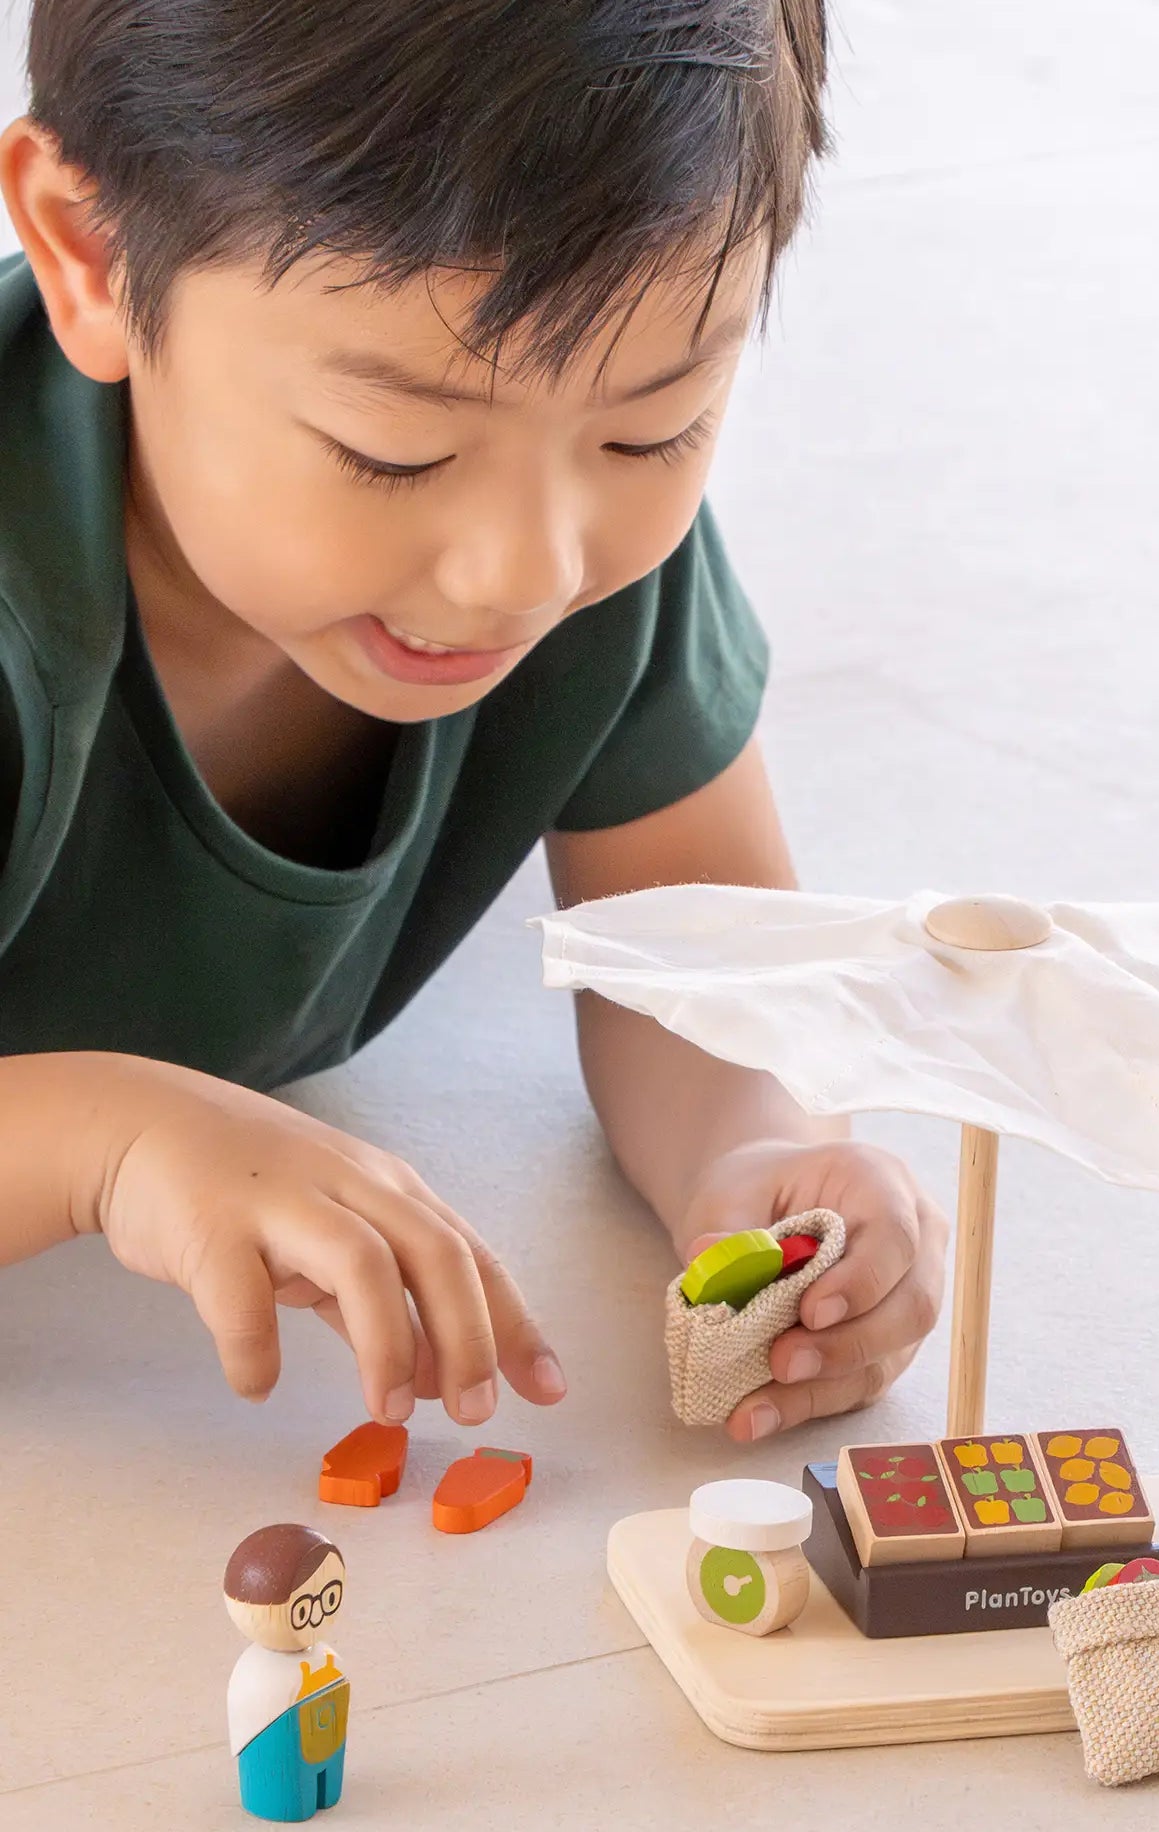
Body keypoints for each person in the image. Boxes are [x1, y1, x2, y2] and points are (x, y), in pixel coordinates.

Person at [0, 1, 948, 1445]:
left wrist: (756, 1150)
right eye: (396, 452)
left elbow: (693, 951)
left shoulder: (574, 541)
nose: (530, 567)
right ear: (90, 254)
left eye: (654, 428)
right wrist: (101, 1143)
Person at [223, 1524, 350, 1822]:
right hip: (279, 1757)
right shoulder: (255, 1674)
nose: (317, 1612)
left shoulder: (330, 1658)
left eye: (328, 1597)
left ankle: (325, 1791)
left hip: (326, 1741)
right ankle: (285, 1801)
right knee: (286, 1791)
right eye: (304, 1608)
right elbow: (243, 1726)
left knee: (326, 1779)